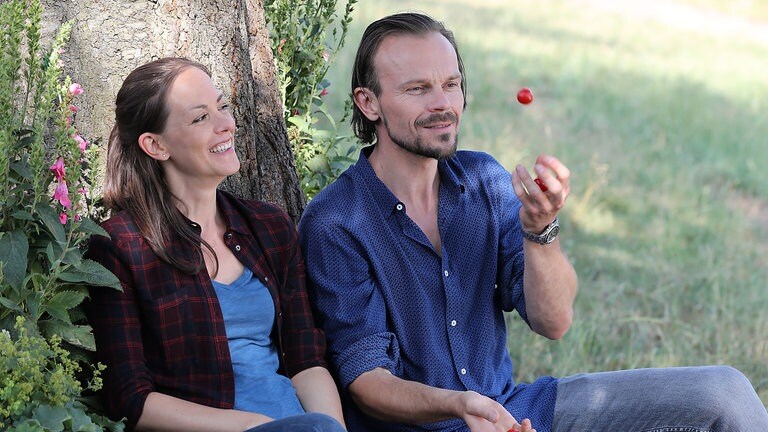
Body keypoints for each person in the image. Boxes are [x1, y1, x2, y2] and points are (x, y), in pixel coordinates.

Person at [298, 12, 768, 432]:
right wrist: (462, 406)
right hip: (445, 423)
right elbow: (365, 380)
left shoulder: (483, 180)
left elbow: (555, 322)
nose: (444, 103)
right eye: (418, 89)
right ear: (368, 102)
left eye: (452, 83)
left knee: (723, 393)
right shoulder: (337, 222)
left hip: (518, 409)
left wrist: (540, 230)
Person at [86, 57, 347, 432]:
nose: (226, 124)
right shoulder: (121, 247)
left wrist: (330, 428)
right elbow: (130, 400)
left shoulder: (269, 228)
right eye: (200, 118)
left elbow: (306, 360)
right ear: (156, 145)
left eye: (222, 107)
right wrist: (254, 426)